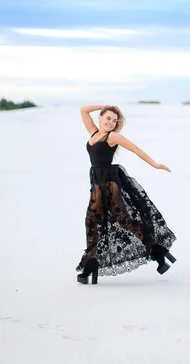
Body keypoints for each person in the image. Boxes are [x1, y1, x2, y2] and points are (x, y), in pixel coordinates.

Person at [76, 104, 176, 284]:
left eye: (114, 121)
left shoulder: (112, 136)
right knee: (94, 221)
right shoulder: (93, 133)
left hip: (109, 182)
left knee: (117, 220)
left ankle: (155, 251)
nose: (111, 123)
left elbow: (135, 149)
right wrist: (105, 105)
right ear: (100, 117)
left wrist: (155, 164)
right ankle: (156, 252)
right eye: (108, 118)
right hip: (96, 182)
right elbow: (83, 109)